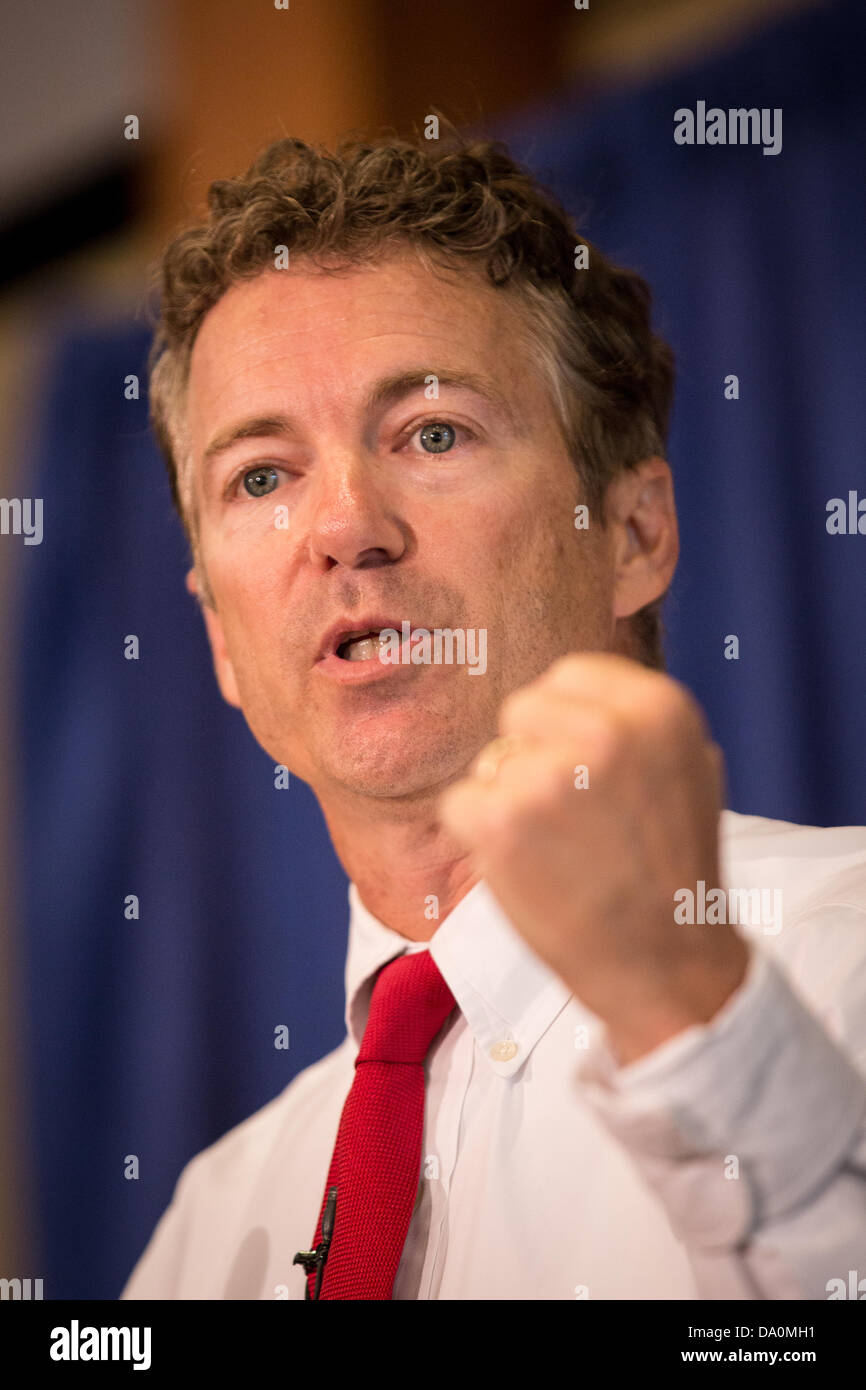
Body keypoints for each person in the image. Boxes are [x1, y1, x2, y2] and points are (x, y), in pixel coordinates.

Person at [121, 129, 866, 1300]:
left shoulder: (844, 962)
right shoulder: (210, 1231)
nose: (343, 526)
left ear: (631, 533)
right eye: (261, 476)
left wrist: (697, 1023)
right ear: (219, 633)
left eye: (431, 433)